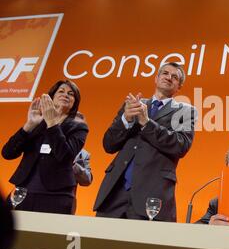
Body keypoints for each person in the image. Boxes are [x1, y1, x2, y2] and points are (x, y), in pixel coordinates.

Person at [94, 62, 197, 221]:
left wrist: (146, 123)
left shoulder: (185, 110)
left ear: (179, 87)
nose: (168, 78)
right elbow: (108, 144)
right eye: (165, 73)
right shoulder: (134, 105)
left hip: (151, 194)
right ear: (156, 78)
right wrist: (125, 119)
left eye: (174, 77)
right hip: (114, 193)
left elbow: (180, 145)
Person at [1, 80, 88, 214]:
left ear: (74, 103)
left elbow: (65, 156)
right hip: (23, 193)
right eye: (61, 91)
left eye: (71, 94)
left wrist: (52, 123)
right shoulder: (37, 123)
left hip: (56, 197)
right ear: (52, 97)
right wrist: (29, 124)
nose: (65, 95)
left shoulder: (78, 127)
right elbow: (7, 153)